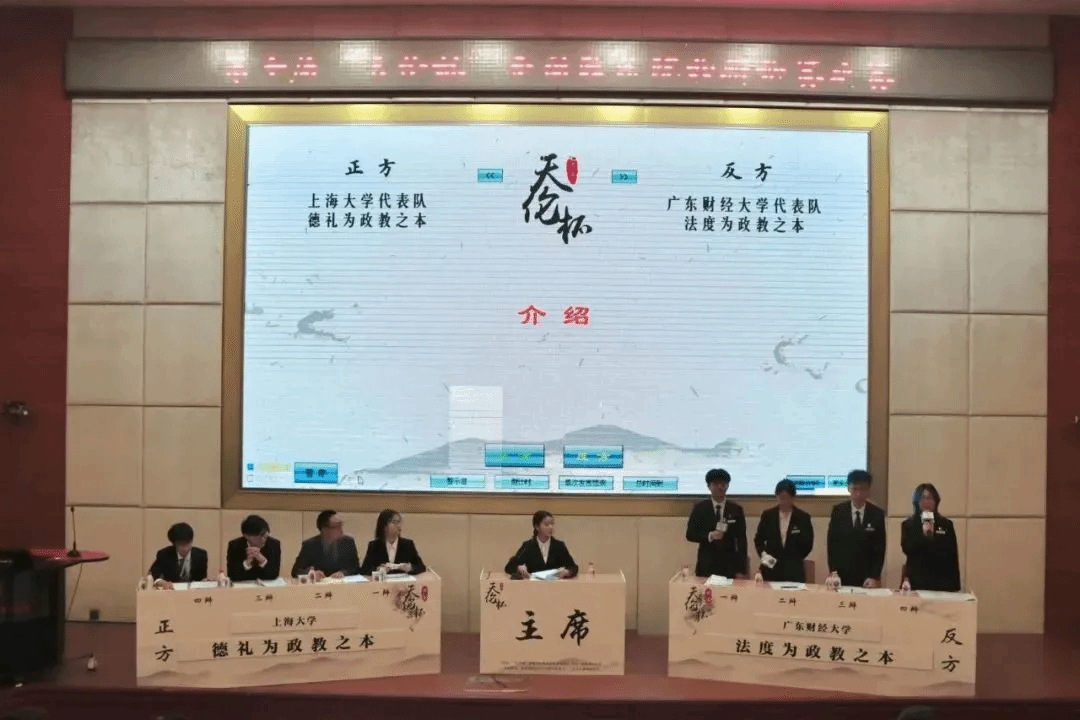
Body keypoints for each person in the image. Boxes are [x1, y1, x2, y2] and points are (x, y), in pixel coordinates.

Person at [827, 470, 886, 587]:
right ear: (848, 489)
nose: (858, 493)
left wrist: (874, 576)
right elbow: (832, 544)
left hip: (867, 576)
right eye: (855, 489)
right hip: (842, 574)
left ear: (868, 490)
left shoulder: (877, 514)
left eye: (862, 489)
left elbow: (880, 548)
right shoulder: (838, 511)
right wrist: (833, 571)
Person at [685, 468, 748, 579]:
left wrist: (741, 569)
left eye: (723, 484)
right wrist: (710, 535)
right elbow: (690, 534)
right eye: (716, 484)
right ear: (709, 486)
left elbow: (742, 540)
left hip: (730, 566)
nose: (720, 487)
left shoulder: (736, 509)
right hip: (706, 565)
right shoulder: (700, 508)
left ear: (727, 486)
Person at [901, 483, 961, 592]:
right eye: (923, 498)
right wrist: (924, 535)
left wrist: (955, 586)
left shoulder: (946, 524)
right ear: (917, 501)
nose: (927, 502)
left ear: (936, 501)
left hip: (942, 581)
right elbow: (907, 549)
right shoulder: (909, 525)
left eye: (930, 498)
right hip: (917, 580)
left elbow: (952, 555)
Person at [753, 478, 814, 582]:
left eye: (787, 498)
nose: (784, 501)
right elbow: (758, 540)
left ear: (793, 498)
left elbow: (808, 544)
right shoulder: (768, 516)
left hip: (794, 570)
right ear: (776, 496)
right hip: (771, 568)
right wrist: (765, 556)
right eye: (781, 498)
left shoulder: (803, 517)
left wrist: (794, 558)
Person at [504, 511, 578, 579]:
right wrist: (518, 568)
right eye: (546, 524)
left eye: (552, 524)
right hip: (533, 586)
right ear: (537, 527)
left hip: (555, 585)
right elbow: (509, 566)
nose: (551, 527)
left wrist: (567, 572)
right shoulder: (528, 546)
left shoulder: (559, 546)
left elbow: (573, 567)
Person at [290, 510, 360, 579]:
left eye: (340, 526)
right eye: (336, 527)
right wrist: (312, 573)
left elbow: (356, 569)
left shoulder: (348, 542)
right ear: (324, 529)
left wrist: (343, 573)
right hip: (318, 585)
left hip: (343, 584)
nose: (341, 530)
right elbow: (295, 571)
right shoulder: (310, 545)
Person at [360, 509, 427, 575]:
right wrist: (378, 569)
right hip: (383, 581)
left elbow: (421, 567)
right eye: (395, 522)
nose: (398, 526)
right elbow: (364, 570)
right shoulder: (374, 545)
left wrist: (410, 568)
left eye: (399, 522)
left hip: (403, 581)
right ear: (384, 525)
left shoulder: (408, 544)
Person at [225, 515, 281, 582]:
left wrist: (263, 561)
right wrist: (247, 563)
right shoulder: (235, 545)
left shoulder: (274, 544)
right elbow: (232, 575)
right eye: (258, 536)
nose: (263, 539)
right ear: (246, 536)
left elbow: (274, 574)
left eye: (264, 534)